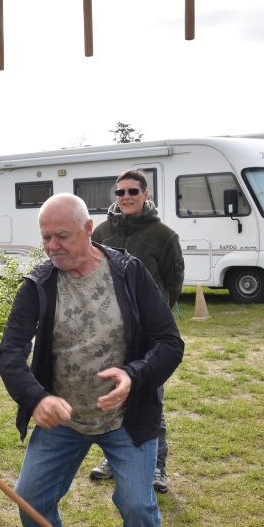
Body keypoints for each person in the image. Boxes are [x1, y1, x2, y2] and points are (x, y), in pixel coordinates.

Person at [0, 194, 184, 527]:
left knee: (138, 506)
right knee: (30, 498)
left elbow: (169, 342)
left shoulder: (129, 273)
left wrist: (134, 376)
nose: (52, 246)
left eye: (62, 235)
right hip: (64, 419)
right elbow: (9, 353)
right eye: (45, 237)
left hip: (127, 418)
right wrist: (37, 397)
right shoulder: (38, 285)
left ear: (88, 229)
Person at [88, 169, 184, 493]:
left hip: (148, 338)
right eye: (120, 192)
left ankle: (157, 466)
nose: (125, 197)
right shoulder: (101, 232)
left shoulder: (163, 235)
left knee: (149, 399)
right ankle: (113, 459)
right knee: (110, 397)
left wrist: (157, 322)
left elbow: (173, 283)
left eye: (132, 191)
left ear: (146, 194)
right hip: (108, 333)